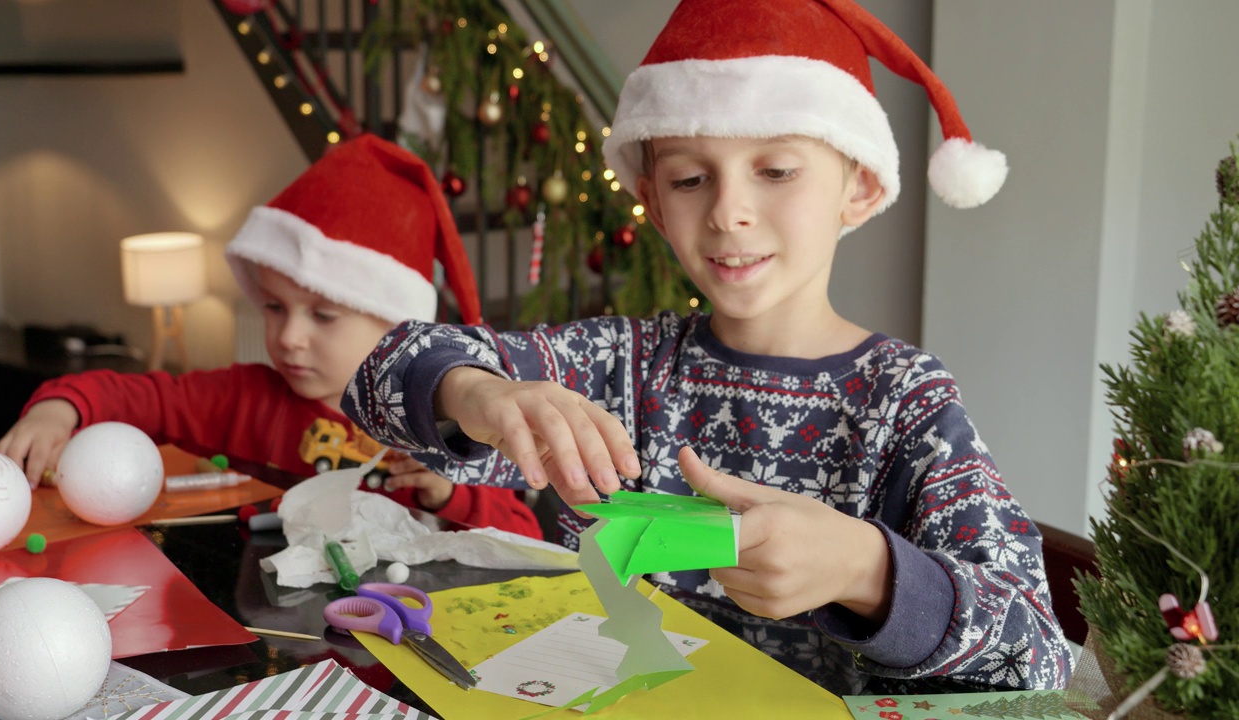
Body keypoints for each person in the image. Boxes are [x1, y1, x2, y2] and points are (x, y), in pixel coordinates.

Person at [341, 0, 1071, 695]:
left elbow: (1036, 652)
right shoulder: (619, 364)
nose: (728, 212)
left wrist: (866, 571)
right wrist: (477, 393)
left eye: (777, 171)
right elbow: (380, 373)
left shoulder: (904, 401)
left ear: (860, 184)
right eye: (690, 179)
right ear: (654, 202)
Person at [0, 135, 542, 539]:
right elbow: (138, 396)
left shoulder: (444, 428)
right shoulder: (245, 396)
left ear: (400, 330)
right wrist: (60, 409)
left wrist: (449, 494)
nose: (289, 338)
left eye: (323, 316)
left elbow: (527, 538)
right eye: (275, 308)